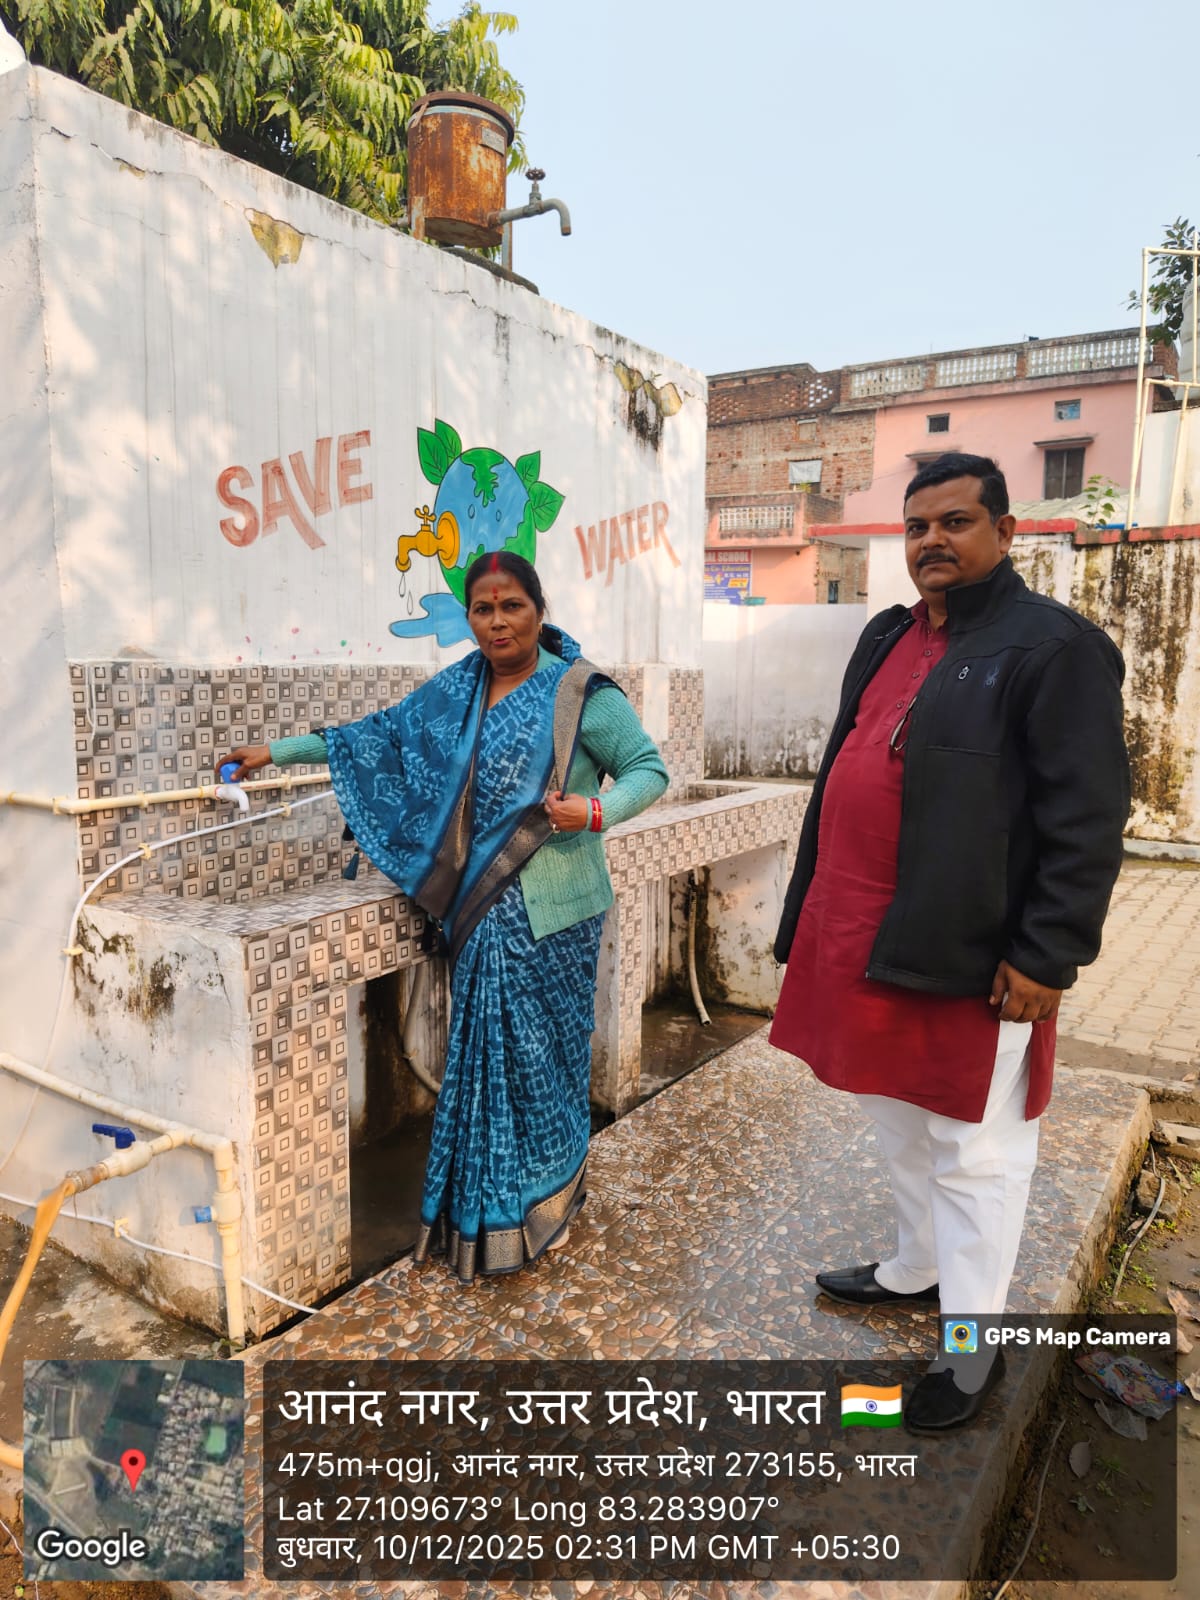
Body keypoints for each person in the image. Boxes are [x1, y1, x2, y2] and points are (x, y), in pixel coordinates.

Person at [770, 452, 1129, 1431]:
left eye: (957, 521)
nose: (933, 540)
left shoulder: (1054, 648)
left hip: (972, 952)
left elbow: (1088, 820)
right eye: (917, 525)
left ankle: (972, 1350)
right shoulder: (888, 633)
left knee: (977, 1151)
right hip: (862, 931)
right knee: (895, 1116)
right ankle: (916, 1266)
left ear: (1006, 532)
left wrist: (1047, 954)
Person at [218, 552, 668, 1283]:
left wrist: (592, 811)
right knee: (493, 1057)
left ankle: (551, 1194)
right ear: (470, 618)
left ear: (539, 610)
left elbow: (648, 769)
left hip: (558, 911)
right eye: (483, 609)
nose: (497, 622)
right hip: (484, 912)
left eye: (512, 606)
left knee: (547, 1059)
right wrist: (274, 752)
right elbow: (376, 738)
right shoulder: (459, 690)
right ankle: (495, 1217)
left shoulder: (581, 693)